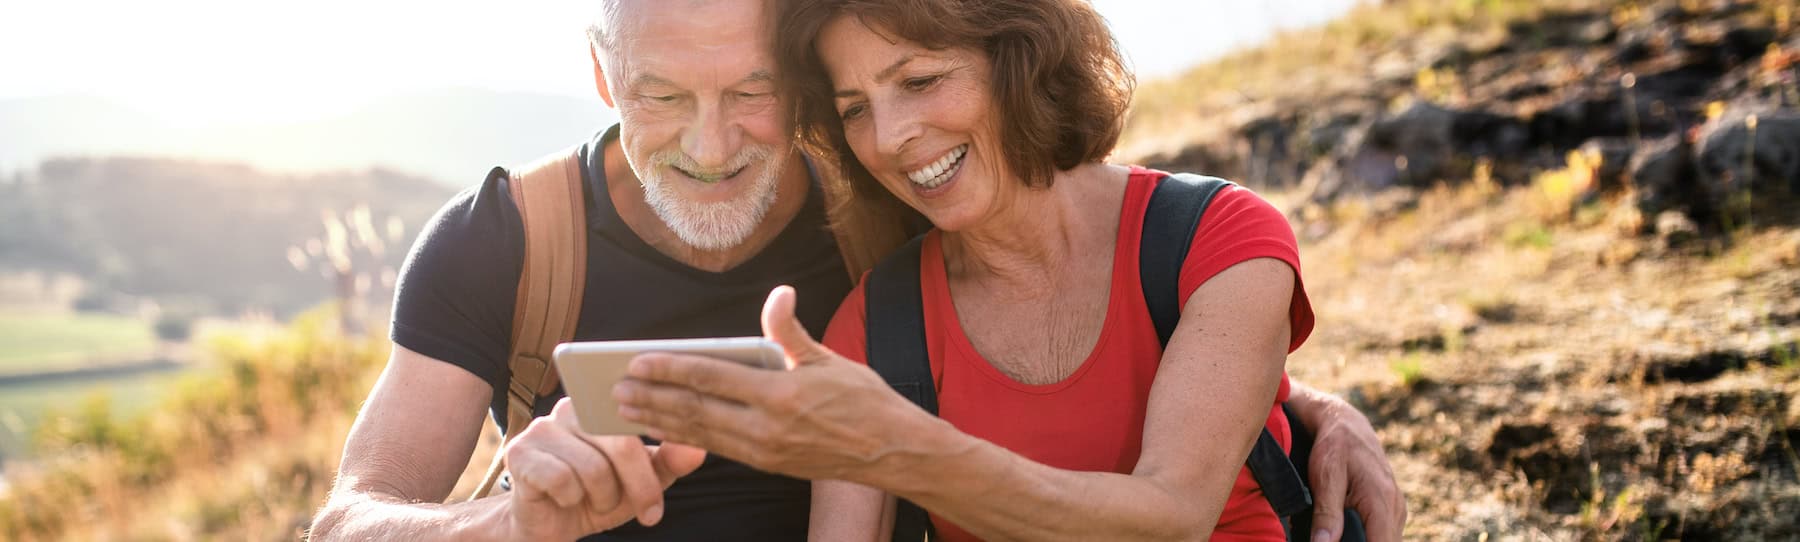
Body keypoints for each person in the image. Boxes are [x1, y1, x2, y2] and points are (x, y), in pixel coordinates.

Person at [309, 0, 1401, 540]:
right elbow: (346, 522)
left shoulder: (870, 221)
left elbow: (1096, 301)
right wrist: (506, 523)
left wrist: (1293, 401)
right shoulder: (506, 237)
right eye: (658, 95)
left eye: (750, 94)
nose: (710, 142)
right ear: (601, 69)